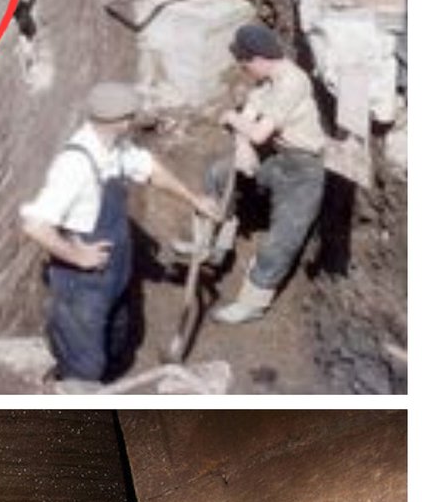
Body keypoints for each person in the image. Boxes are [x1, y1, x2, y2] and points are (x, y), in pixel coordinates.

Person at [20, 81, 218, 386]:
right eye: (132, 116)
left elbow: (150, 169)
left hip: (114, 271)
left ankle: (106, 385)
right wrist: (78, 257)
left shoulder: (115, 147)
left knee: (118, 337)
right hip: (81, 285)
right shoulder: (76, 164)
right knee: (84, 365)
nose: (134, 121)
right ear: (122, 121)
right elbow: (34, 224)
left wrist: (193, 199)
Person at [207, 23, 327, 323]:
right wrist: (242, 145)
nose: (244, 69)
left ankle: (252, 302)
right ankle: (213, 243)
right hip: (279, 159)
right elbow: (249, 119)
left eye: (245, 63)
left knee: (281, 240)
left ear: (260, 59)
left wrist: (234, 120)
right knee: (219, 174)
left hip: (305, 170)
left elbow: (258, 131)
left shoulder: (292, 82)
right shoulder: (267, 83)